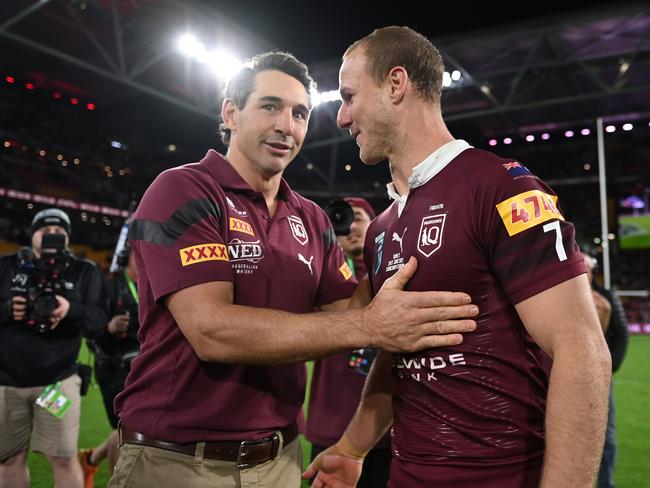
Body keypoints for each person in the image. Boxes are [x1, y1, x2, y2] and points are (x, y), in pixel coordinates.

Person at [109, 51, 478, 488]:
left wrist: (406, 232)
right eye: (270, 106)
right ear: (230, 112)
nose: (287, 124)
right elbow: (212, 331)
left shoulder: (311, 218)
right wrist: (373, 325)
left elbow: (347, 313)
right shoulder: (184, 189)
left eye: (299, 113)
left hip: (282, 458)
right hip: (180, 462)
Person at [304, 26, 612, 488]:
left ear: (396, 83)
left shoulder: (502, 187)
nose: (342, 117)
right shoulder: (383, 228)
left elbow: (582, 350)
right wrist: (352, 447)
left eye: (349, 96)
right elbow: (399, 357)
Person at [0, 208, 110, 488]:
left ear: (69, 238)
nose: (52, 236)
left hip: (57, 383)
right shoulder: (6, 266)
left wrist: (69, 308)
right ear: (32, 234)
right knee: (9, 460)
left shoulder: (84, 271)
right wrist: (8, 310)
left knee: (62, 458)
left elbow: (99, 321)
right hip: (6, 383)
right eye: (45, 231)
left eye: (59, 232)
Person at [307, 197, 391, 487]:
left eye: (358, 217)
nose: (351, 226)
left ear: (375, 225)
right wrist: (330, 256)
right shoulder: (318, 272)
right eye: (342, 219)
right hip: (328, 424)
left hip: (382, 431)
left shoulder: (389, 272)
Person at [78, 249, 140, 488]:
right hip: (113, 367)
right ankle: (117, 481)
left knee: (135, 427)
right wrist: (108, 327)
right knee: (124, 429)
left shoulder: (153, 282)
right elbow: (87, 326)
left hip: (142, 365)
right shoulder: (108, 285)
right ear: (130, 256)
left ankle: (90, 459)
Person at [584, 254, 629, 488]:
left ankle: (605, 484)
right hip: (561, 373)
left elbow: (621, 335)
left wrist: (610, 367)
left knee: (605, 435)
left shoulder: (604, 300)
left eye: (586, 267)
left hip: (598, 374)